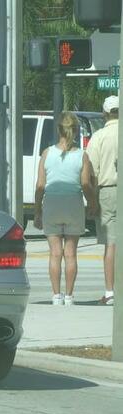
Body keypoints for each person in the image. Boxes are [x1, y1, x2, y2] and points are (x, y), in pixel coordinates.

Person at [34, 112, 97, 306]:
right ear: (76, 130)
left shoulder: (47, 153)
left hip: (52, 203)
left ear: (58, 129)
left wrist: (37, 211)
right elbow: (85, 183)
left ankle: (56, 296)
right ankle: (69, 296)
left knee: (54, 253)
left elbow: (40, 186)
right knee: (70, 253)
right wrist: (93, 202)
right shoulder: (82, 156)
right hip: (72, 203)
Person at [86, 95, 119, 305]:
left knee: (111, 244)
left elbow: (90, 172)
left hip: (107, 191)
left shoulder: (98, 137)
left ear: (104, 113)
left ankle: (110, 293)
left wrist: (92, 201)